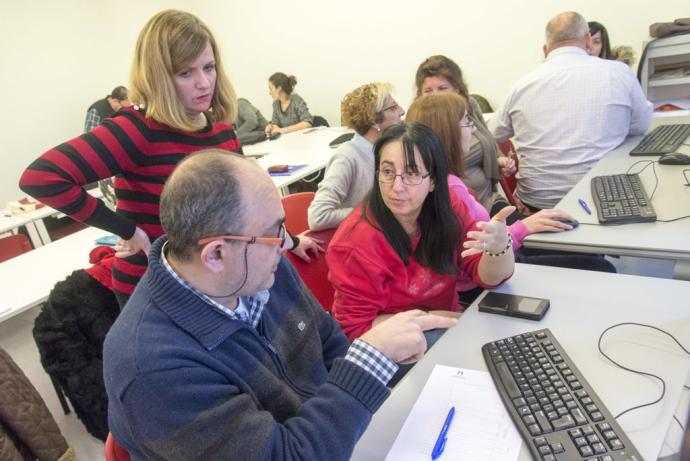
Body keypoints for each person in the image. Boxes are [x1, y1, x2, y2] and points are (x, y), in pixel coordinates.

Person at [103, 150, 456, 460]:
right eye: (275, 233)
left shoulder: (258, 270)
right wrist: (369, 362)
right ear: (216, 254)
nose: (286, 244)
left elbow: (330, 344)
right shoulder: (152, 369)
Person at [19, 10, 241, 306]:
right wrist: (127, 229)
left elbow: (246, 203)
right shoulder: (137, 129)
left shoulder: (222, 130)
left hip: (213, 280)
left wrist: (288, 239)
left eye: (209, 67)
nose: (204, 83)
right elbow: (41, 178)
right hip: (156, 287)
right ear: (159, 77)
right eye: (185, 73)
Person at [326, 123, 515, 341]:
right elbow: (355, 329)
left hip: (446, 324)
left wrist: (500, 247)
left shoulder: (448, 207)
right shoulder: (355, 242)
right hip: (393, 342)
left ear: (433, 181)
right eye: (388, 172)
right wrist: (437, 319)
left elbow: (488, 277)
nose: (397, 187)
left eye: (412, 173)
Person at [406, 92, 613, 284]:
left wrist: (521, 228)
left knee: (588, 255)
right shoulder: (450, 191)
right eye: (467, 122)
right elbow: (474, 253)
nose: (474, 129)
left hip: (502, 254)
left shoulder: (445, 182)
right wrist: (523, 228)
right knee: (600, 266)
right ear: (449, 133)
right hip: (493, 270)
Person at [490, 11, 653, 212]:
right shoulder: (618, 72)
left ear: (545, 49)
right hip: (607, 197)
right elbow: (640, 126)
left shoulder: (520, 86)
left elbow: (494, 132)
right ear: (587, 41)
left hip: (538, 206)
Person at [414, 55, 514, 212]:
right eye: (428, 91)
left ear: (458, 89)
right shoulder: (422, 123)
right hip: (462, 210)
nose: (436, 96)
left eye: (442, 88)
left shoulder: (470, 106)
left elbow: (487, 138)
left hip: (489, 200)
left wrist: (498, 159)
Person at [307, 82, 404, 231]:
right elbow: (318, 216)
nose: (402, 111)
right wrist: (373, 212)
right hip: (362, 241)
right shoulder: (347, 157)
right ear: (373, 120)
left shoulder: (386, 150)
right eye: (393, 108)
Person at [84, 86, 133, 209]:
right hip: (107, 163)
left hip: (122, 159)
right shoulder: (97, 110)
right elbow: (90, 140)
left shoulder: (121, 111)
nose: (124, 110)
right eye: (123, 107)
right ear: (116, 101)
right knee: (119, 203)